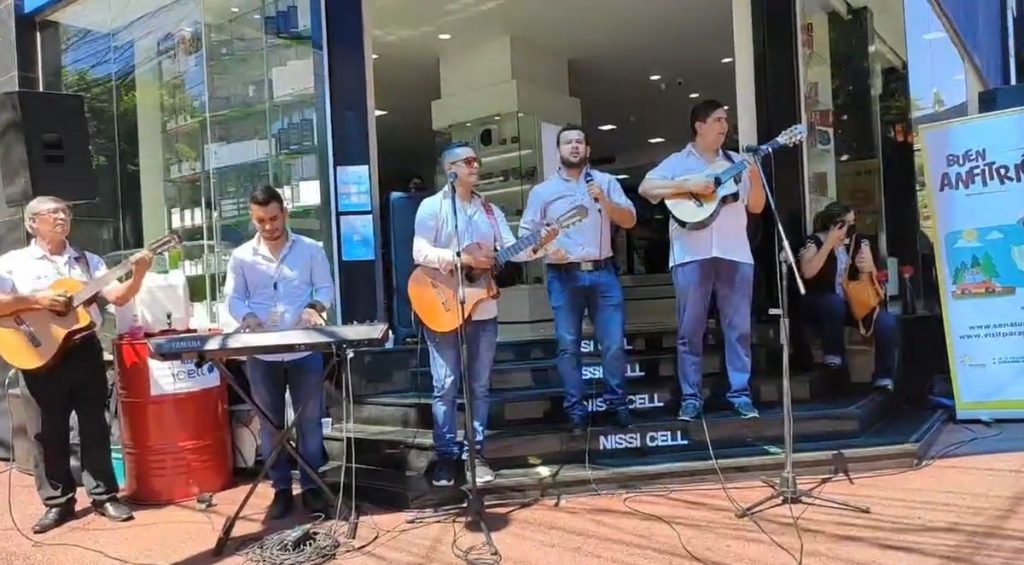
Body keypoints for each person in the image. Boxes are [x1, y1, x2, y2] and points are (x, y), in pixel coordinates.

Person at [0, 196, 153, 534]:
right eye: (52, 212)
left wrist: (139, 272)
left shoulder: (87, 261)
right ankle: (57, 502)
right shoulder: (12, 263)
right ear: (32, 223)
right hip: (37, 353)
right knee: (47, 431)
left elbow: (118, 296)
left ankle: (104, 496)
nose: (61, 217)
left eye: (65, 212)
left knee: (95, 424)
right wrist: (37, 299)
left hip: (84, 350)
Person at [413, 142, 557, 487]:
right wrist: (462, 259)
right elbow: (419, 251)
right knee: (446, 384)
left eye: (476, 160)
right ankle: (446, 456)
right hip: (442, 303)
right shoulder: (432, 206)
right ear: (450, 169)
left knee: (479, 385)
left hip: (482, 308)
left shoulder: (490, 211)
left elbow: (511, 250)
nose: (475, 165)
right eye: (467, 161)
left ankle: (475, 454)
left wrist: (541, 242)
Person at [638, 99, 766, 421]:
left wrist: (756, 175)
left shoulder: (736, 161)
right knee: (690, 330)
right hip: (690, 255)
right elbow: (646, 188)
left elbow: (756, 207)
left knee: (739, 329)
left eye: (726, 120)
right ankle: (691, 397)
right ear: (700, 125)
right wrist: (688, 184)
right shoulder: (678, 161)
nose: (725, 125)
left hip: (735, 252)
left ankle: (740, 394)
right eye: (718, 119)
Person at [223, 185, 335, 519]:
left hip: (304, 349)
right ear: (252, 218)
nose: (269, 226)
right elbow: (233, 297)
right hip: (262, 354)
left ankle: (312, 487)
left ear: (285, 213)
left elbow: (325, 287)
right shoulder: (241, 256)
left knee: (309, 422)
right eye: (261, 221)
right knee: (270, 425)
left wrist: (315, 308)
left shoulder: (310, 249)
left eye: (274, 218)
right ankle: (281, 489)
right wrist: (247, 317)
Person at [519, 125, 637, 432]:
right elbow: (526, 236)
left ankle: (617, 405)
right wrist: (548, 247)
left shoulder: (606, 182)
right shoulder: (542, 191)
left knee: (613, 343)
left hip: (603, 271)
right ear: (558, 150)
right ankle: (575, 411)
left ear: (588, 149)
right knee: (568, 345)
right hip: (563, 275)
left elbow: (630, 220)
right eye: (568, 142)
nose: (574, 146)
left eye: (579, 142)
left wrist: (605, 202)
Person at [798, 201, 897, 391]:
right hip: (822, 302)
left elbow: (874, 277)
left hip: (854, 303)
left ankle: (884, 376)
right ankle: (834, 355)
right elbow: (807, 272)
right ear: (832, 223)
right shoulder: (815, 241)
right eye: (844, 224)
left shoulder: (858, 241)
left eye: (852, 223)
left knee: (886, 322)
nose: (848, 229)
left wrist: (868, 267)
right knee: (834, 302)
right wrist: (829, 243)